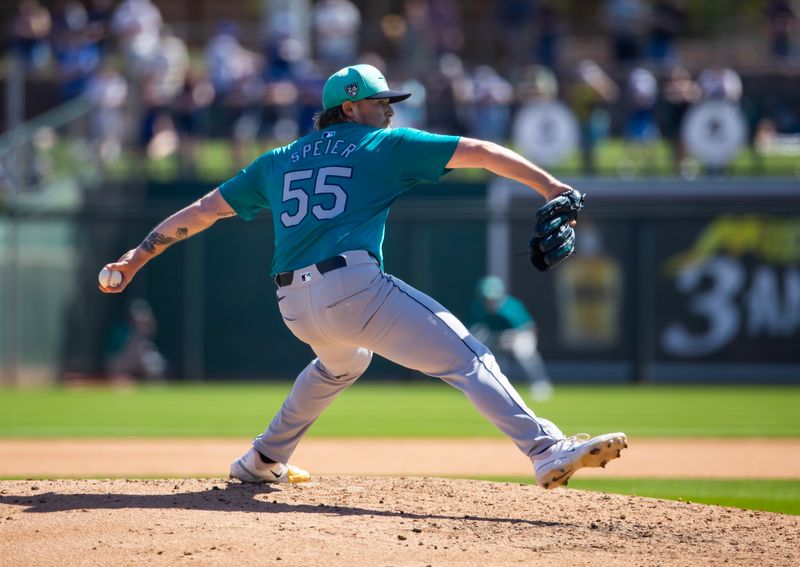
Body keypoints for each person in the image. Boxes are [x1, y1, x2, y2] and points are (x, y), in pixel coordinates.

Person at [99, 63, 627, 489]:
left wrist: (134, 258)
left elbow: (202, 210)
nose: (389, 113)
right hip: (352, 289)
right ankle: (546, 449)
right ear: (349, 107)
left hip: (293, 306)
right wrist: (553, 187)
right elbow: (483, 153)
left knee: (341, 363)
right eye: (381, 103)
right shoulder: (379, 146)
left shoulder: (278, 158)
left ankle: (263, 458)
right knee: (469, 358)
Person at [468, 276, 553, 401]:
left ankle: (540, 384)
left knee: (525, 356)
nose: (489, 300)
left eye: (492, 297)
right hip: (495, 334)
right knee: (492, 358)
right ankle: (493, 386)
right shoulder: (478, 306)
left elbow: (527, 327)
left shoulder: (511, 306)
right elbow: (474, 329)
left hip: (518, 334)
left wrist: (527, 343)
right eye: (486, 297)